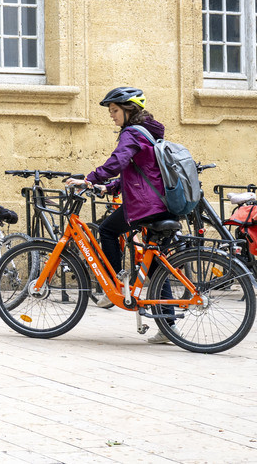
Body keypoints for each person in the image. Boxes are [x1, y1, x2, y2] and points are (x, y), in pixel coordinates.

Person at [81, 86, 172, 341]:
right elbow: (140, 171)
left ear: (128, 109)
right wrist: (108, 186)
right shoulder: (147, 132)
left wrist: (90, 179)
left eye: (114, 110)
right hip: (157, 203)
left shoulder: (131, 133)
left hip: (145, 206)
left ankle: (114, 283)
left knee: (108, 230)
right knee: (156, 263)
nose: (111, 115)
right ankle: (168, 327)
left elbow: (117, 162)